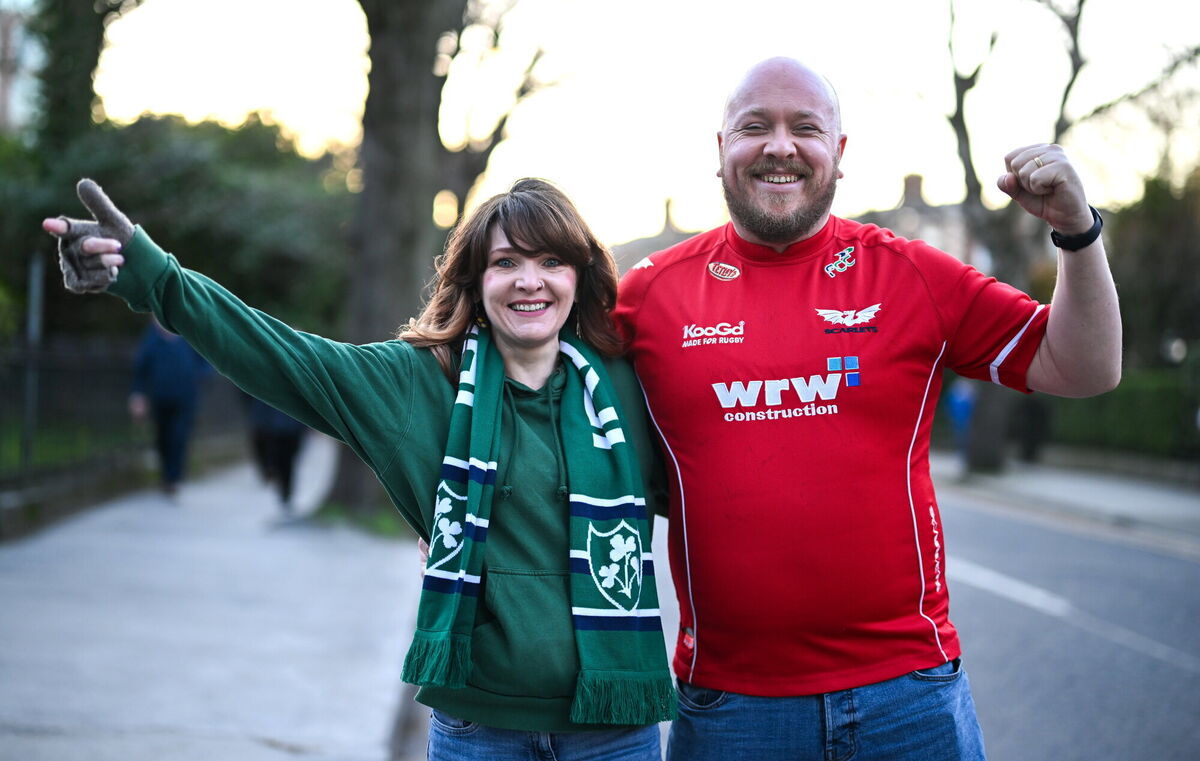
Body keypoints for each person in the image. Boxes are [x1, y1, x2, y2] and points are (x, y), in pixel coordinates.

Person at [43, 177, 674, 760]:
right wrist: (154, 276)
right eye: (506, 262)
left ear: (578, 276)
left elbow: (725, 477)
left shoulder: (629, 385)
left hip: (612, 734)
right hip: (481, 729)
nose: (529, 281)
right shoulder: (416, 382)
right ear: (476, 280)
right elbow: (282, 356)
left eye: (550, 262)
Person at [613, 57, 1121, 761]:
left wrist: (1076, 228)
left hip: (908, 696)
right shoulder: (647, 294)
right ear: (721, 148)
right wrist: (442, 501)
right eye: (754, 126)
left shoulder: (911, 273)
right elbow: (539, 395)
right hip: (732, 705)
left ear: (841, 154)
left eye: (806, 128)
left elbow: (1086, 365)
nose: (780, 145)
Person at [128, 316, 210, 495]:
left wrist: (195, 375)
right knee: (162, 438)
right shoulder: (151, 338)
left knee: (179, 436)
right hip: (160, 398)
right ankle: (166, 477)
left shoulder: (187, 335)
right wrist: (138, 396)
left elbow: (206, 362)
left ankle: (175, 478)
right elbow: (140, 369)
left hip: (185, 399)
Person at [244, 395, 308, 514]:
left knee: (286, 458)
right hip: (273, 421)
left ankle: (285, 490)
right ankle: (283, 488)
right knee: (282, 458)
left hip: (286, 422)